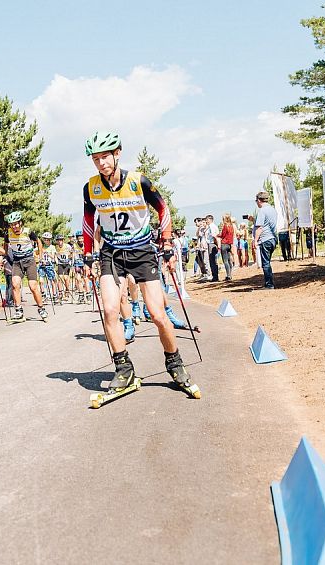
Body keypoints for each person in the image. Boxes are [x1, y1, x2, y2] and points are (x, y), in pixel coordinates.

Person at [82, 131, 199, 397]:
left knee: (157, 314)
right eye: (96, 159)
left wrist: (166, 243)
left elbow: (163, 209)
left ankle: (175, 362)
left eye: (105, 157)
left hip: (142, 251)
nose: (101, 163)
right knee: (110, 311)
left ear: (117, 153)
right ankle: (123, 368)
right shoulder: (91, 187)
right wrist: (89, 254)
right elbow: (88, 221)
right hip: (111, 253)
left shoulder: (138, 181)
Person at [4, 211, 48, 322]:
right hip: (17, 261)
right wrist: (5, 255)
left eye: (16, 224)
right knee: (15, 284)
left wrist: (41, 256)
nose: (14, 226)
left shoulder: (28, 232)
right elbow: (5, 244)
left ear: (20, 223)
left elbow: (39, 242)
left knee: (33, 286)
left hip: (29, 261)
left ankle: (41, 308)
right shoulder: (8, 233)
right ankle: (18, 310)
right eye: (12, 224)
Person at [254, 191, 278, 289]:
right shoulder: (272, 210)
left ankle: (269, 284)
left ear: (259, 200)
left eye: (256, 201)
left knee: (265, 263)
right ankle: (269, 282)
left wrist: (255, 240)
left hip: (265, 239)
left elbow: (260, 227)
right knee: (267, 262)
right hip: (272, 238)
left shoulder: (262, 211)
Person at [38, 232, 59, 303]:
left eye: (48, 239)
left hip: (49, 265)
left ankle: (55, 295)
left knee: (52, 281)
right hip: (42, 265)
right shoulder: (41, 247)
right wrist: (40, 259)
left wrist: (48, 253)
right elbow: (37, 254)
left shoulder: (52, 247)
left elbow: (53, 257)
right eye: (45, 239)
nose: (47, 241)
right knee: (41, 281)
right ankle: (43, 295)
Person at [54, 234, 74, 303]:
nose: (60, 241)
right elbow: (55, 255)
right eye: (58, 240)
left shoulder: (67, 246)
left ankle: (67, 290)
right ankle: (60, 293)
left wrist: (70, 258)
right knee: (59, 278)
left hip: (67, 263)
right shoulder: (56, 247)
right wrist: (56, 261)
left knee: (66, 278)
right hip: (60, 263)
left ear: (63, 240)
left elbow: (72, 253)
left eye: (61, 240)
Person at [219, 213, 235, 281]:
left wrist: (216, 235)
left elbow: (222, 235)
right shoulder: (231, 226)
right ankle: (230, 274)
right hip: (229, 244)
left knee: (225, 261)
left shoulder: (225, 226)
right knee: (229, 260)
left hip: (224, 244)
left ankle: (228, 275)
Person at [204, 214, 220, 282]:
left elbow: (214, 236)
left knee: (212, 261)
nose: (206, 221)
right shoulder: (210, 226)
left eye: (207, 220)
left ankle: (215, 276)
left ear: (210, 220)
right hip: (210, 243)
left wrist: (216, 244)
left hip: (212, 244)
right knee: (212, 261)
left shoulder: (212, 227)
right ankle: (214, 276)